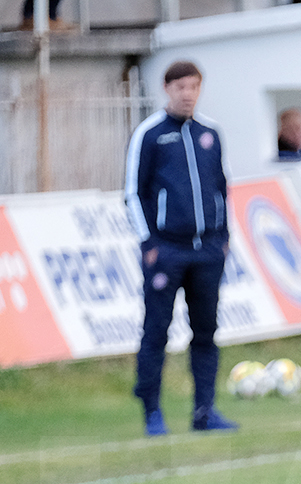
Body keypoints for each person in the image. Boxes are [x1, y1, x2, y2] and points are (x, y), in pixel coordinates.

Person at [124, 59, 237, 436]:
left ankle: (205, 411)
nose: (187, 94)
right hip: (167, 252)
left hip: (207, 251)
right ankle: (152, 413)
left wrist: (223, 239)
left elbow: (222, 188)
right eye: (180, 87)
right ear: (167, 90)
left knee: (206, 331)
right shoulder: (150, 134)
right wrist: (150, 243)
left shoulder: (211, 133)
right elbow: (132, 193)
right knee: (156, 331)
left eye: (193, 87)